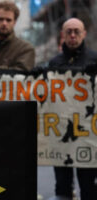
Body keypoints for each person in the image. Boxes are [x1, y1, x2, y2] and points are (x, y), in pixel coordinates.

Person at [48, 18, 97, 200]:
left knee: (88, 185)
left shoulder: (95, 58)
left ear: (84, 34)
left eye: (77, 31)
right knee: (61, 185)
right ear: (63, 35)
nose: (73, 35)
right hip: (61, 132)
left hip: (88, 134)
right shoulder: (54, 62)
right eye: (69, 32)